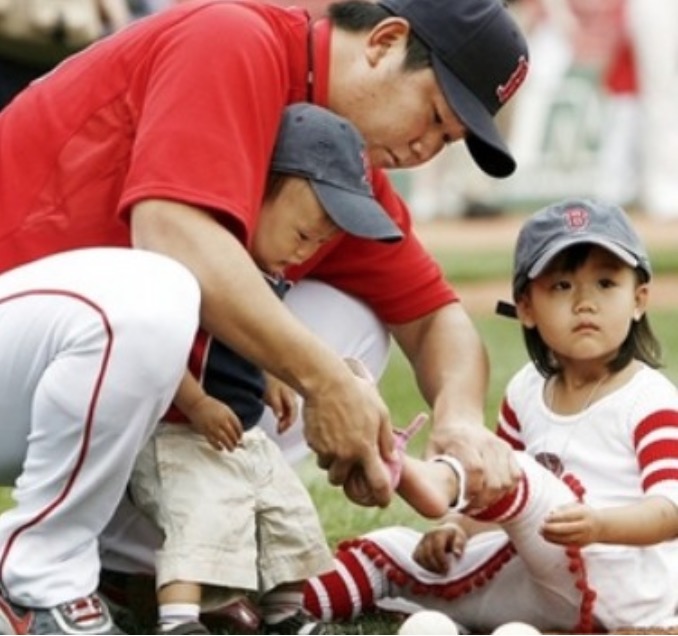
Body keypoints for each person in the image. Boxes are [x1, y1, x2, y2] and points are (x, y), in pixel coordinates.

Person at [0, 0, 529, 632]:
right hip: (27, 335)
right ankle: (34, 574)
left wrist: (461, 421)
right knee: (159, 292)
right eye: (437, 117)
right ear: (384, 42)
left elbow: (433, 316)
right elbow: (169, 233)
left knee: (353, 323)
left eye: (448, 140)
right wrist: (324, 382)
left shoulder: (331, 156)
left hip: (58, 369)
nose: (427, 150)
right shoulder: (234, 37)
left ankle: (130, 563)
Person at [303, 199, 678, 633]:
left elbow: (670, 511)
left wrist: (598, 525)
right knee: (391, 552)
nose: (584, 303)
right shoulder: (525, 389)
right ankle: (280, 603)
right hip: (543, 580)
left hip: (625, 586)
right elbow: (495, 498)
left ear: (639, 300)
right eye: (561, 286)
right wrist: (457, 528)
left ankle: (416, 472)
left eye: (606, 283)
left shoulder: (650, 398)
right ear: (526, 309)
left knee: (514, 469)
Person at [128, 102, 403, 636]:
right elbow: (156, 346)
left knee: (286, 509)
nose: (304, 252)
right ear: (256, 193)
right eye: (302, 234)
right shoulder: (202, 258)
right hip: (179, 430)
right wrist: (198, 403)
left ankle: (285, 611)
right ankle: (178, 619)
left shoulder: (265, 270)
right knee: (201, 510)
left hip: (238, 435)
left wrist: (273, 372)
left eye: (319, 244)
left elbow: (254, 334)